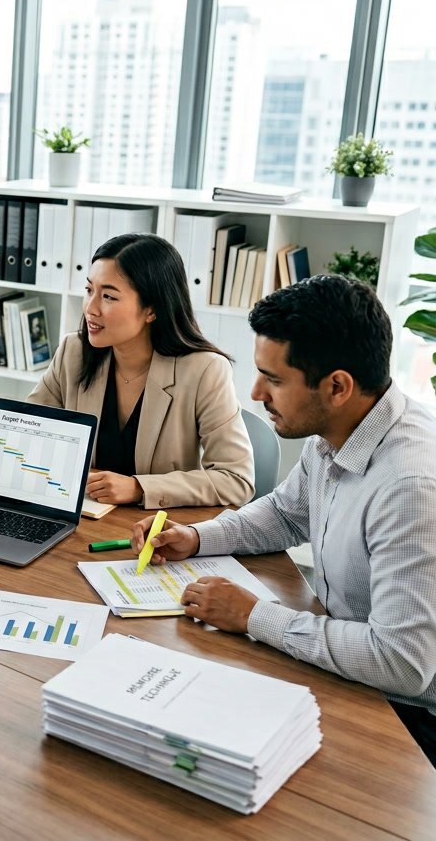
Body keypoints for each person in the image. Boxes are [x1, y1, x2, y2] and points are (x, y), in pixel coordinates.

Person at [132, 275, 436, 767]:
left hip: (408, 723)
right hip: (353, 671)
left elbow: (402, 665)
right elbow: (283, 513)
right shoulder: (338, 431)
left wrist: (253, 615)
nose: (255, 393)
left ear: (337, 386)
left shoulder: (410, 486)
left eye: (272, 379)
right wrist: (195, 537)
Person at [28, 233, 253, 509]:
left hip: (156, 532)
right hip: (84, 520)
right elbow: (27, 433)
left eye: (108, 296)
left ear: (151, 310)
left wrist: (139, 488)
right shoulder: (73, 352)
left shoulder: (204, 370)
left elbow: (236, 479)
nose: (90, 308)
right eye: (89, 291)